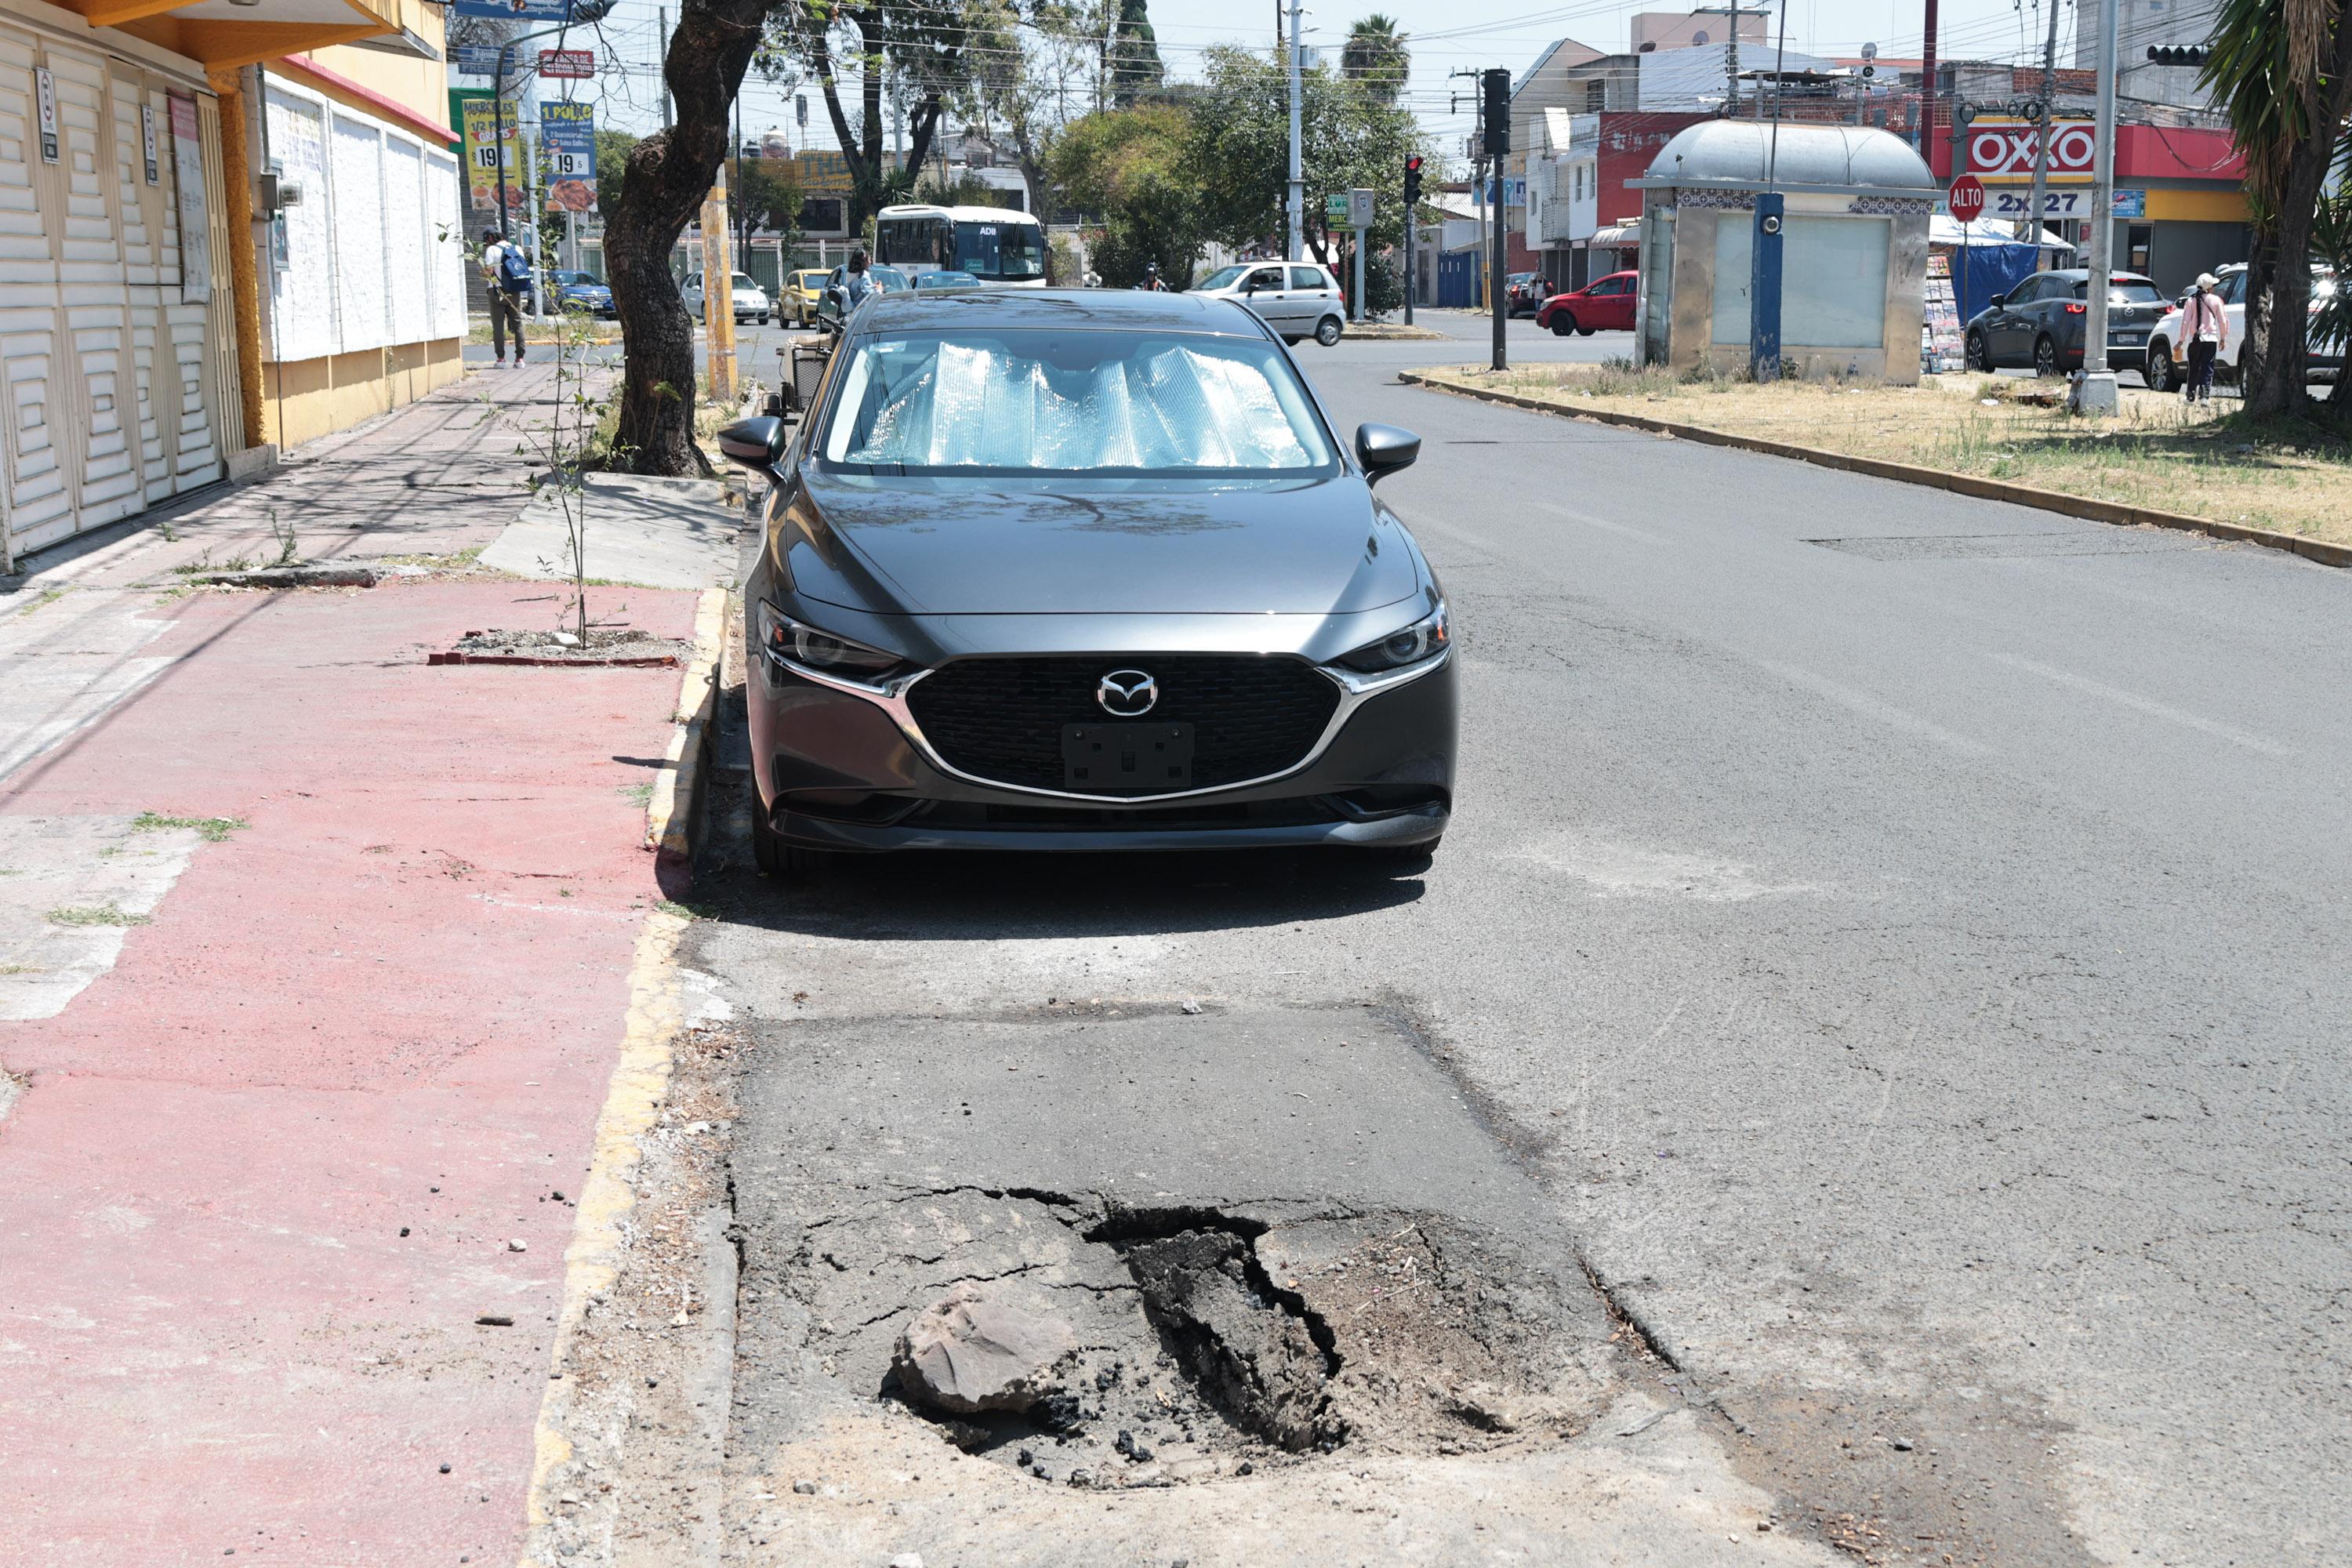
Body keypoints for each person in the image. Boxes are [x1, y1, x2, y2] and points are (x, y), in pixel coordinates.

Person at [480, 228, 528, 367]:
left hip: (497, 292)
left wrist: (483, 272)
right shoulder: (517, 248)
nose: (486, 244)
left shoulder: (492, 250)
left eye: (486, 240)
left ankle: (501, 359)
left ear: (490, 237)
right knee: (517, 325)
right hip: (515, 291)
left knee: (498, 326)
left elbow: (489, 273)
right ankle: (520, 359)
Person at [2182, 272, 2227, 404]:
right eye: (2213, 285)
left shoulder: (2190, 300)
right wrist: (2223, 337)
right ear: (2209, 288)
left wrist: (2181, 340)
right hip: (2211, 339)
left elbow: (2185, 322)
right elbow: (2223, 321)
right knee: (2208, 368)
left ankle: (2190, 396)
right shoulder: (2216, 300)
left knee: (2194, 368)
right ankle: (2204, 397)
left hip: (2195, 340)